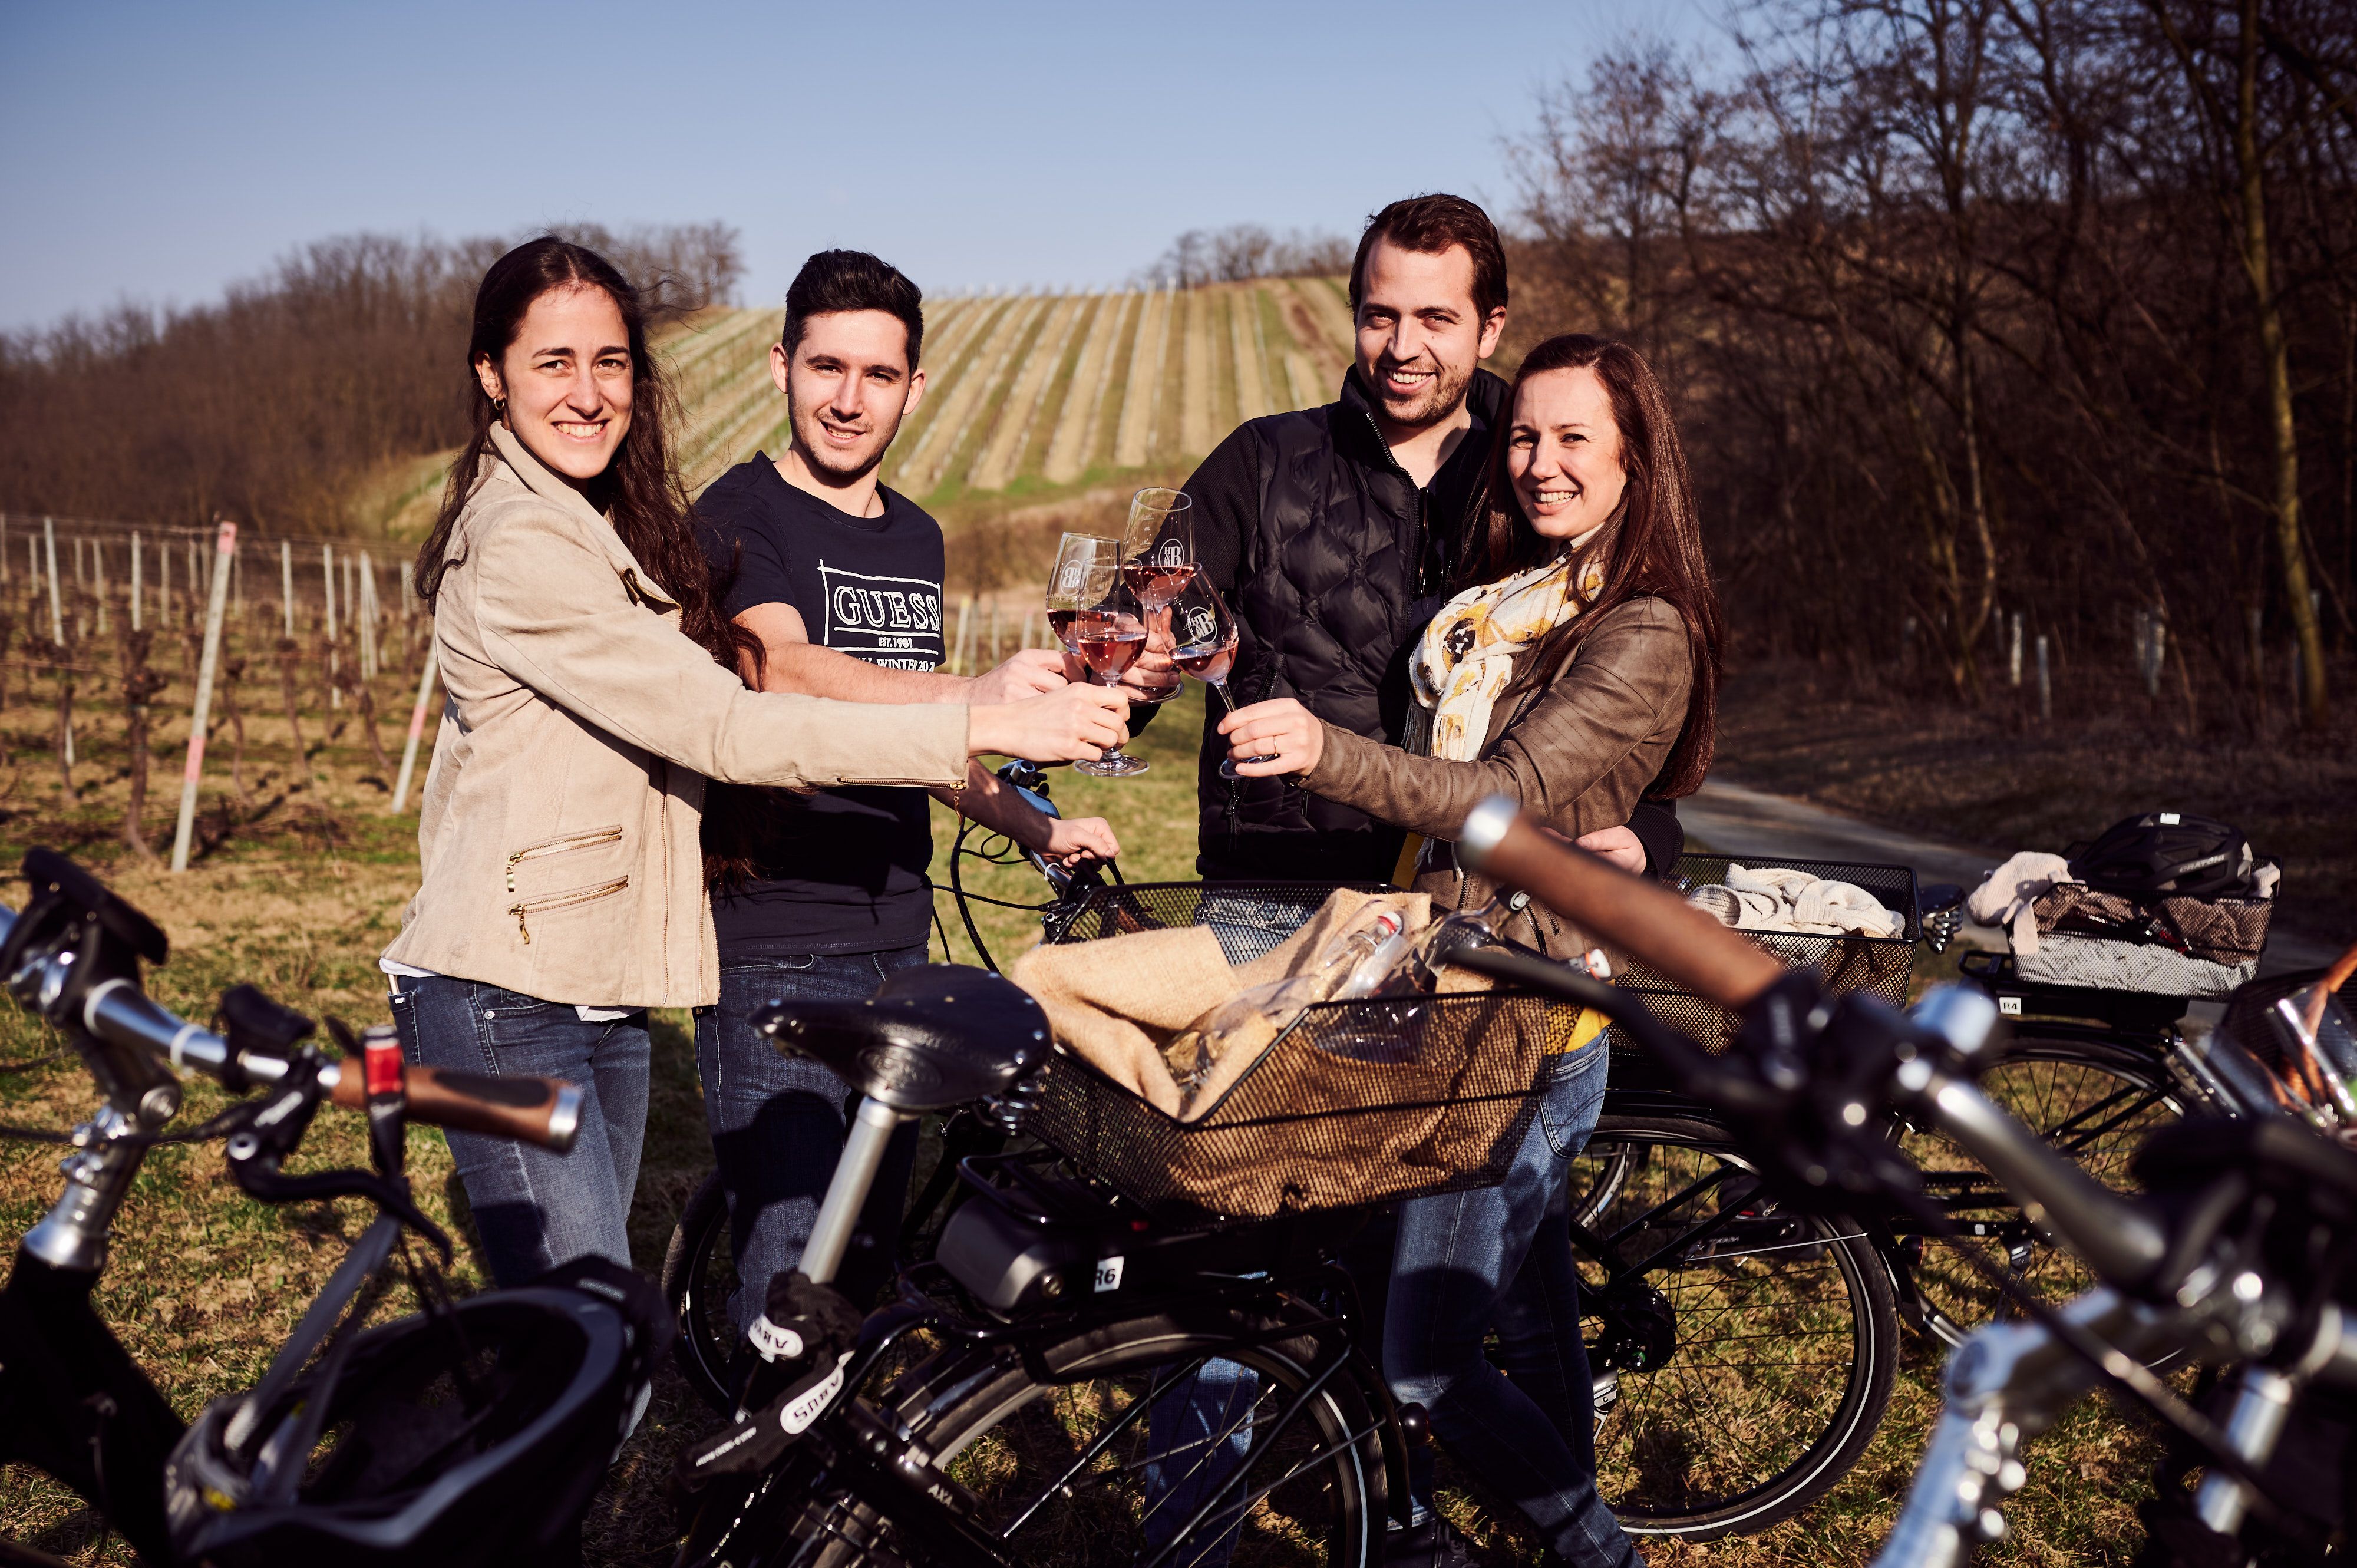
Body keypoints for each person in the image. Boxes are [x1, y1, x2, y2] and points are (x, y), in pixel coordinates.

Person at [382, 237, 1128, 1290]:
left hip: (592, 977)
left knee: (722, 1300)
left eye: (611, 363)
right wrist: (973, 706)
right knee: (618, 1322)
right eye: (554, 362)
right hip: (521, 985)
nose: (589, 393)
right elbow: (755, 702)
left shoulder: (595, 525)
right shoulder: (532, 544)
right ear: (491, 374)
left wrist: (1032, 820)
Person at [1220, 333, 1723, 1566]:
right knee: (1538, 1321)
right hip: (1458, 987)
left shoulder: (1639, 626)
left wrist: (1324, 751)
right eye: (1525, 437)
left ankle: (1600, 1555)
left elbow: (1502, 794)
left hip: (1524, 1026)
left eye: (1573, 440)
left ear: (1634, 460)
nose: (1540, 464)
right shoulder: (1502, 607)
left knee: (1429, 1361)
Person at [694, 250, 1121, 1315]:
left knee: (870, 1245)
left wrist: (1034, 826)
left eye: (877, 375)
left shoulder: (919, 535)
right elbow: (783, 672)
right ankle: (761, 1467)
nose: (848, 400)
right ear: (779, 365)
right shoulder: (739, 514)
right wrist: (982, 691)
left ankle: (833, 1468)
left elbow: (917, 741)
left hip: (894, 931)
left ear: (914, 387)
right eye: (824, 367)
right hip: (774, 937)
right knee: (792, 1257)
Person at [1133, 194, 1681, 887]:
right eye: (1380, 317)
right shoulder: (1261, 458)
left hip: (1463, 891)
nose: (1402, 347)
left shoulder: (1541, 481)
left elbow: (1621, 680)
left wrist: (1651, 826)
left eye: (1436, 319)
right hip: (1272, 887)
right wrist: (1098, 705)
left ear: (1490, 327)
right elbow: (1142, 638)